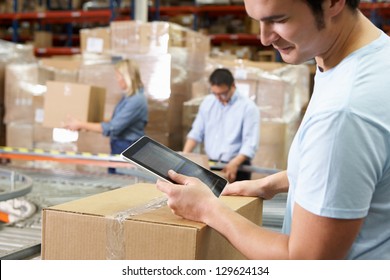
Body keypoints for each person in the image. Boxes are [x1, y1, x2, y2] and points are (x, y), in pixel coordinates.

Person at [157, 0, 390, 259]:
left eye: (278, 20)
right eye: (257, 20)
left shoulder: (343, 112)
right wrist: (270, 183)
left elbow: (304, 261)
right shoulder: (369, 57)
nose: (265, 39)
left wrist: (207, 209)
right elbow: (356, 170)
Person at [64, 59, 148, 174]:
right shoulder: (128, 97)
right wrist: (87, 122)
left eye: (118, 76)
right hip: (121, 145)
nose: (117, 80)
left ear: (127, 77)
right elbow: (116, 120)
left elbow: (112, 127)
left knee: (121, 184)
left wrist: (81, 124)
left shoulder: (136, 100)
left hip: (128, 146)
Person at [183, 68, 260, 182]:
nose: (219, 98)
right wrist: (184, 157)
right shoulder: (208, 102)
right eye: (215, 93)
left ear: (233, 86)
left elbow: (250, 144)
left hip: (237, 167)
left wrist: (235, 163)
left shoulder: (248, 108)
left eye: (223, 94)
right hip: (211, 165)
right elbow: (196, 133)